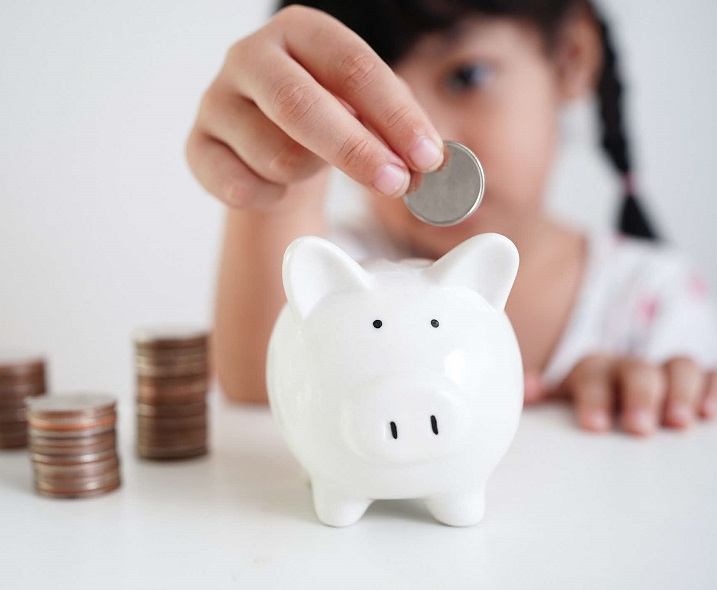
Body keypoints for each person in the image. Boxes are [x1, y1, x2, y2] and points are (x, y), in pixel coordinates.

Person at [185, 0, 717, 435]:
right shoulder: (349, 270)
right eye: (360, 112)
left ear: (572, 57)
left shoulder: (657, 301)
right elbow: (260, 385)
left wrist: (659, 393)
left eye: (467, 76)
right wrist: (281, 185)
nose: (426, 146)